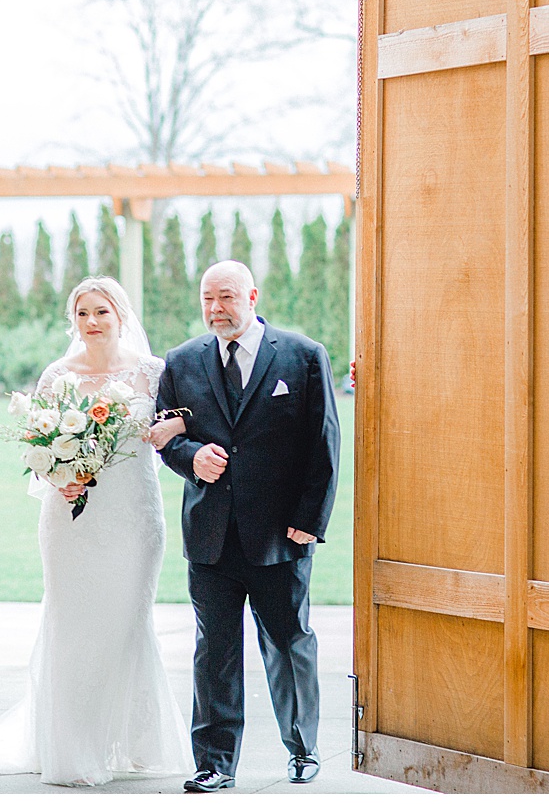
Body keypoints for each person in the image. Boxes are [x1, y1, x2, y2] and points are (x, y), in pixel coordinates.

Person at [0, 276, 194, 787]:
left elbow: (179, 424)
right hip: (70, 519)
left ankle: (134, 741)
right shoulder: (58, 376)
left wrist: (173, 428)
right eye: (83, 312)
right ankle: (71, 744)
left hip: (134, 515)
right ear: (74, 319)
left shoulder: (154, 373)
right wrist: (59, 477)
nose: (92, 321)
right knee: (73, 620)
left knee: (130, 620)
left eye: (101, 311)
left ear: (121, 314)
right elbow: (38, 448)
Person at [155, 260, 341, 792]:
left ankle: (303, 747)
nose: (216, 309)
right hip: (210, 535)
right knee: (214, 651)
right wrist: (192, 458)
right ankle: (214, 762)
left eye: (227, 297)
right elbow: (165, 434)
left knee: (288, 641)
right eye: (208, 299)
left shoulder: (304, 356)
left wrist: (310, 520)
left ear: (253, 296)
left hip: (282, 534)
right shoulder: (182, 361)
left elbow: (323, 443)